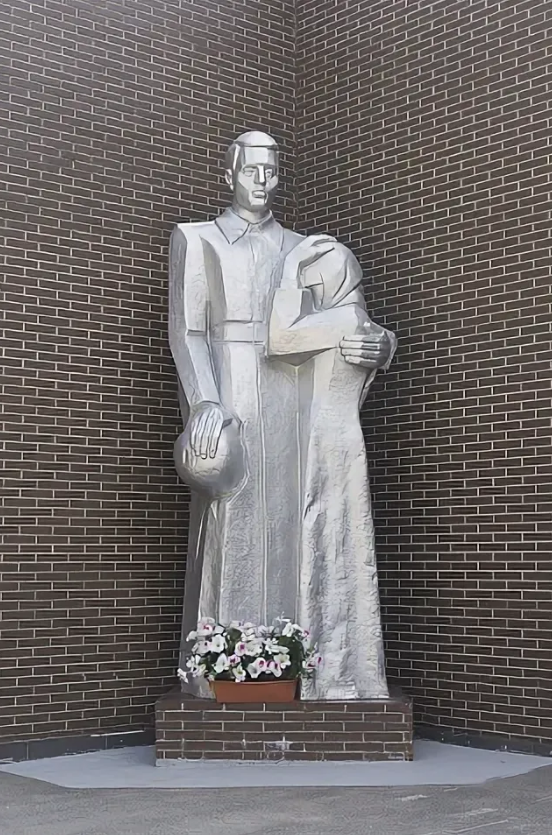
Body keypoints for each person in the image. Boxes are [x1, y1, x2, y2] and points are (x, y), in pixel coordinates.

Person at [169, 131, 395, 699]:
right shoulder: (198, 240)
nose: (262, 181)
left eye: (272, 171)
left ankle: (303, 663)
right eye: (252, 171)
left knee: (302, 520)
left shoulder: (307, 247)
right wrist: (203, 401)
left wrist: (381, 345)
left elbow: (351, 319)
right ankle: (222, 668)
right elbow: (188, 331)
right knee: (234, 522)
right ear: (230, 175)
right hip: (232, 384)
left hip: (298, 394)